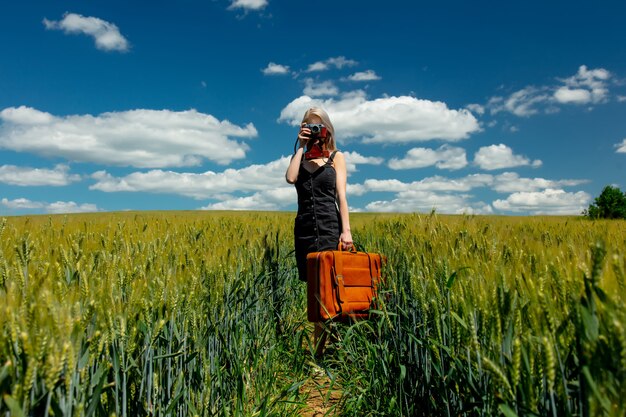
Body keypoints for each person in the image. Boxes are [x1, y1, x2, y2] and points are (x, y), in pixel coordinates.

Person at [285, 107, 353, 356]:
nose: (314, 130)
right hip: (304, 231)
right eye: (308, 125)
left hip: (329, 228)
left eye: (317, 125)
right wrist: (301, 147)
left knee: (331, 289)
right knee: (314, 293)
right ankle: (320, 351)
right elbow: (291, 178)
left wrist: (346, 232)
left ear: (327, 129)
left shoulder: (337, 157)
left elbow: (341, 197)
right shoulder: (299, 158)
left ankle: (335, 348)